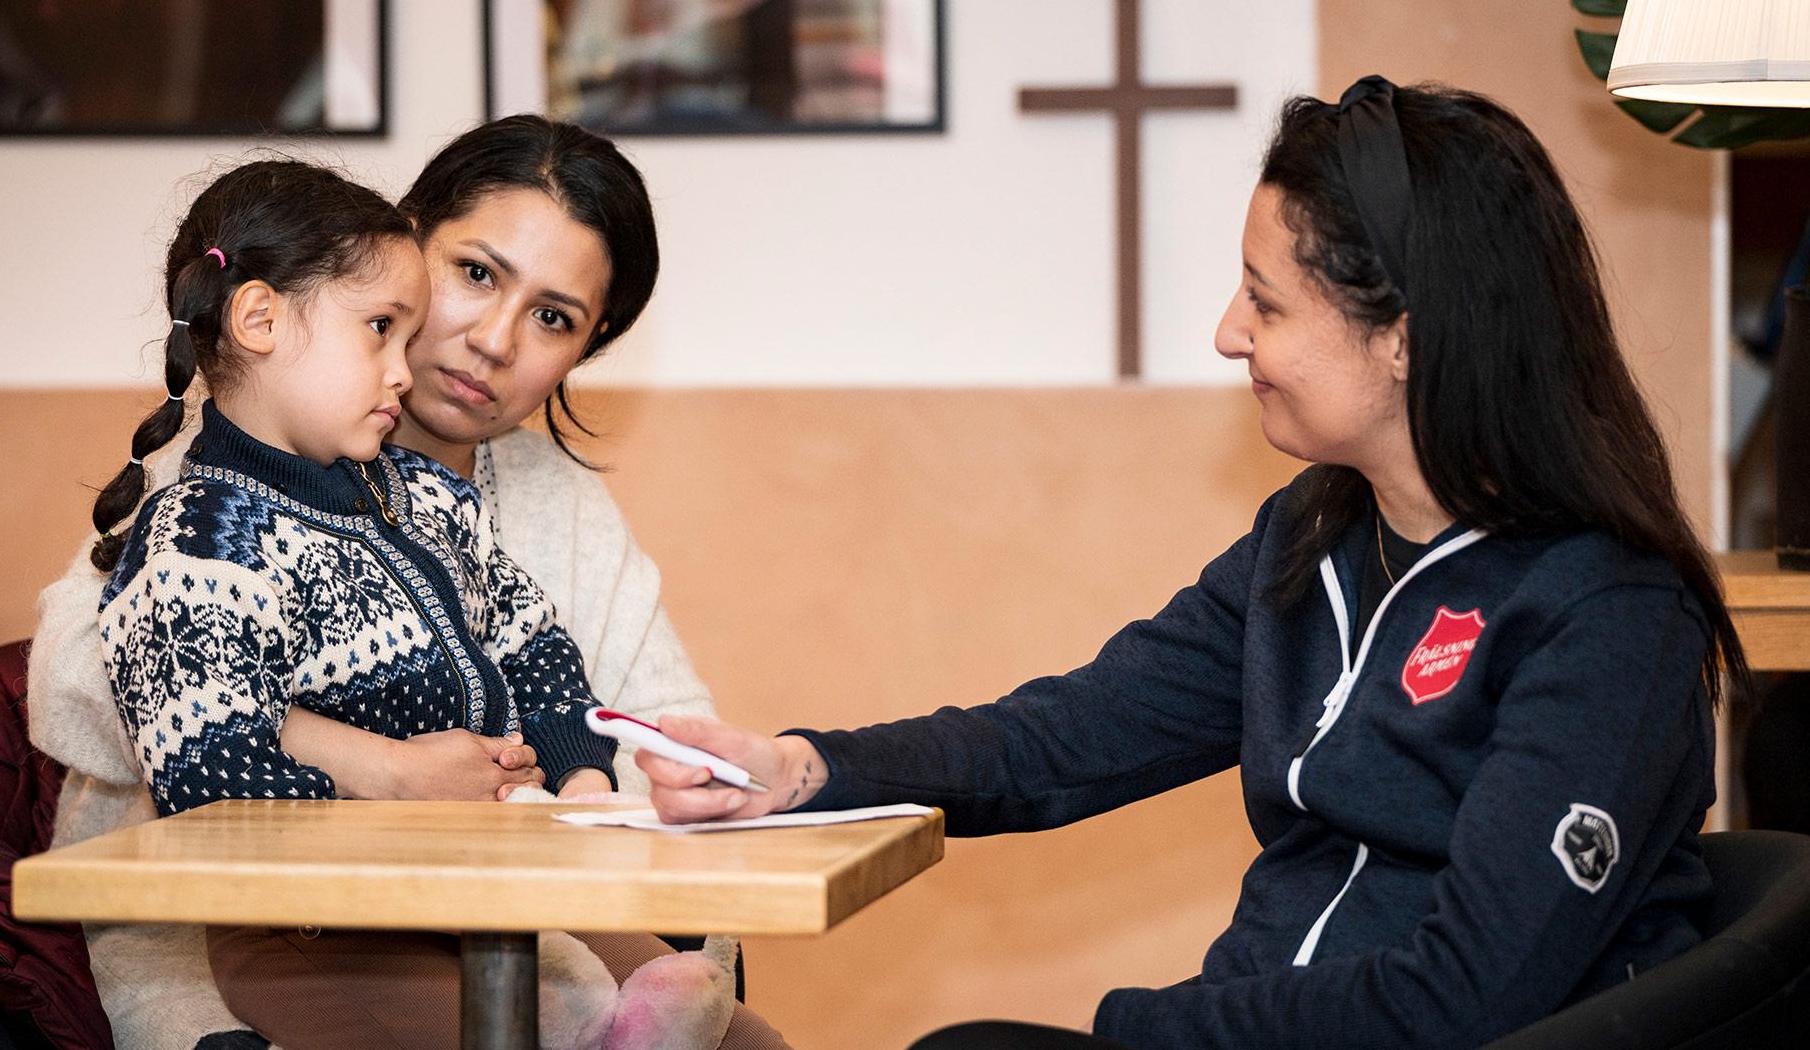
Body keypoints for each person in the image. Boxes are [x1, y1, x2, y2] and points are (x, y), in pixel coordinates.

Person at [635, 77, 1750, 1050]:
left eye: (1265, 300)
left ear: (1404, 333)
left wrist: (1143, 1028)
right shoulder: (1309, 541)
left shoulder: (1609, 612)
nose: (1228, 333)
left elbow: (1466, 996)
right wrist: (801, 770)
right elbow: (1062, 738)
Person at [29, 118, 788, 1049]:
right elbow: (83, 685)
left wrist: (577, 777)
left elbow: (649, 729)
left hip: (498, 896)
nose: (494, 341)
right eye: (475, 274)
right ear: (404, 244)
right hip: (228, 922)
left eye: (554, 318)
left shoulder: (539, 506)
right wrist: (391, 768)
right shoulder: (217, 486)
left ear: (583, 351)